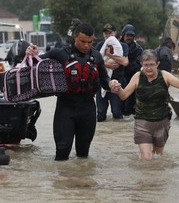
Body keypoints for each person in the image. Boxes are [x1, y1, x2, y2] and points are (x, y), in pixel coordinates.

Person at [26, 22, 113, 161]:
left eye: (90, 42)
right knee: (62, 150)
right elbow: (34, 63)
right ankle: (62, 181)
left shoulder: (96, 56)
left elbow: (104, 79)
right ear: (74, 38)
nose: (86, 45)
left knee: (83, 154)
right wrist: (31, 54)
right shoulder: (60, 53)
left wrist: (111, 83)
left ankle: (81, 181)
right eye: (82, 41)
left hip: (88, 109)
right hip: (65, 108)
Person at [110, 49, 179, 160]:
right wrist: (117, 88)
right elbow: (124, 96)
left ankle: (156, 177)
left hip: (162, 121)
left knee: (158, 156)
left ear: (157, 64)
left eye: (152, 65)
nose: (149, 68)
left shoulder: (165, 75)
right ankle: (144, 176)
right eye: (146, 65)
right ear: (141, 64)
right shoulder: (138, 77)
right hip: (142, 121)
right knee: (146, 157)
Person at [95, 23, 129, 122]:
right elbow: (94, 62)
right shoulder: (100, 45)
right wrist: (106, 65)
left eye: (110, 32)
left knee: (117, 113)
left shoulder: (123, 46)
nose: (107, 35)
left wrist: (110, 55)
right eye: (105, 33)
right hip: (102, 83)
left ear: (115, 33)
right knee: (100, 115)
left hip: (117, 83)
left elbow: (125, 62)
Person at [120, 24, 143, 116]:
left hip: (132, 77)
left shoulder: (138, 49)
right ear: (123, 35)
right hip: (119, 77)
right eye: (127, 35)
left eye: (131, 36)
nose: (129, 37)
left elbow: (139, 63)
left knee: (131, 104)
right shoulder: (116, 45)